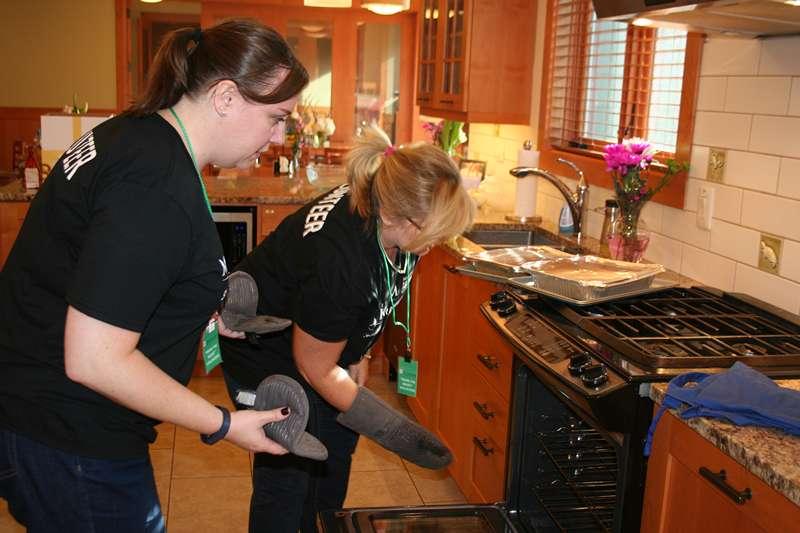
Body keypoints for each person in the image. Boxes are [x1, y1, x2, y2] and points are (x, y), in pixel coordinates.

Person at [0, 19, 308, 533]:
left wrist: (196, 312)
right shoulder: (156, 185)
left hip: (41, 418)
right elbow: (94, 359)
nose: (279, 138)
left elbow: (103, 274)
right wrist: (225, 424)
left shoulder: (136, 134)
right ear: (226, 97)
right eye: (276, 118)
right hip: (69, 437)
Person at [219, 125, 475, 532]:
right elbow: (315, 367)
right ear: (392, 215)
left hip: (319, 341)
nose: (435, 243)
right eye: (431, 232)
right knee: (288, 476)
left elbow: (373, 295)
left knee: (334, 457)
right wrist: (392, 429)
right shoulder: (343, 260)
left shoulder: (389, 210)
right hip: (265, 350)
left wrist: (360, 351)